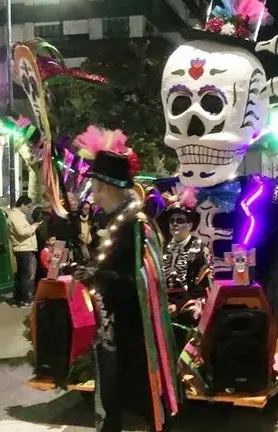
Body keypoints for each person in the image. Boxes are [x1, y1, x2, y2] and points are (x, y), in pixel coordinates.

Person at [74, 148, 178, 432]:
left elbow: (143, 281)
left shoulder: (134, 225)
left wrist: (100, 276)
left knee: (134, 397)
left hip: (131, 333)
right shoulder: (117, 221)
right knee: (112, 397)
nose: (93, 196)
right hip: (114, 328)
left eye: (95, 189)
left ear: (108, 188)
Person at [158, 202, 212, 350]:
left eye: (180, 221)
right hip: (163, 303)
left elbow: (203, 286)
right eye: (172, 221)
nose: (174, 224)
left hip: (189, 301)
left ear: (189, 225)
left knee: (194, 311)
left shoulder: (200, 250)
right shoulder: (163, 248)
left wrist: (180, 305)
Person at [6, 195, 42, 307]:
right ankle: (24, 299)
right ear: (22, 205)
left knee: (22, 275)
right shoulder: (16, 216)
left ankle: (20, 298)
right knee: (25, 275)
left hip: (25, 247)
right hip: (23, 248)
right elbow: (22, 232)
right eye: (28, 206)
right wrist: (34, 226)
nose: (29, 209)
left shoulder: (19, 216)